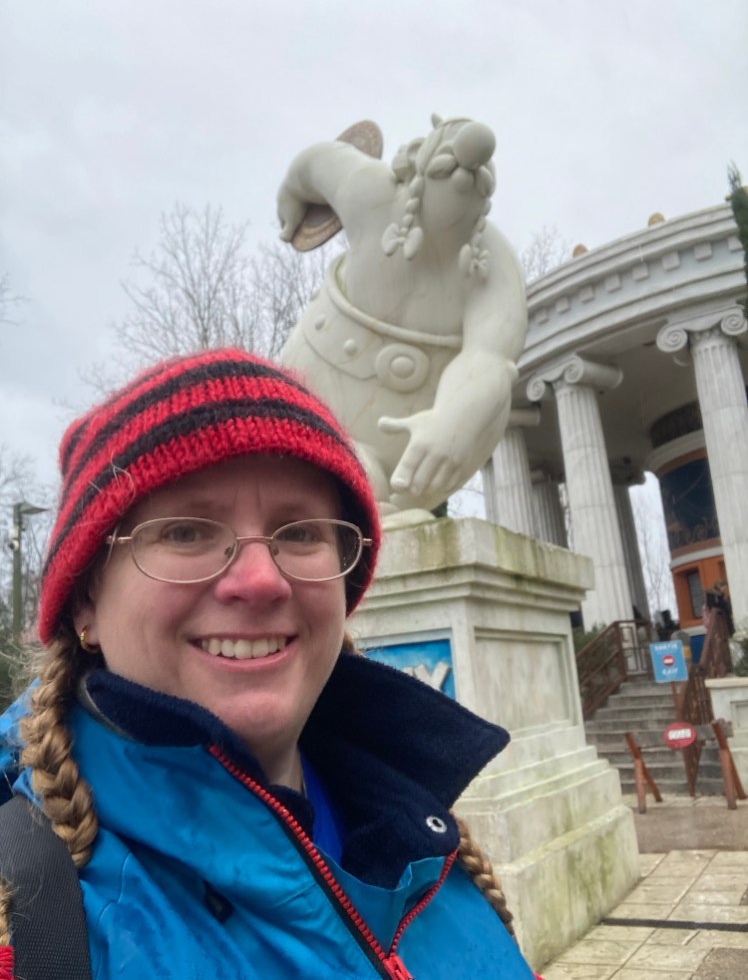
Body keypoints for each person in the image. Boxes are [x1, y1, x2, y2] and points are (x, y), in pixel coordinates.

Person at [0, 348, 539, 979]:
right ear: (85, 601)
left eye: (301, 532)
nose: (260, 581)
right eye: (185, 531)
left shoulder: (422, 842)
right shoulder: (28, 921)